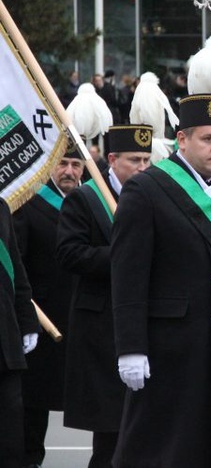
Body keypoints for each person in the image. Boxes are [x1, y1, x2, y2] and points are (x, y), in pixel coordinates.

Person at [110, 94, 211, 467]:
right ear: (182, 139)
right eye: (208, 139)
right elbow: (128, 275)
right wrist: (130, 347)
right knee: (168, 452)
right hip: (173, 351)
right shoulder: (147, 190)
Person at [56, 124, 153, 468]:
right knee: (110, 435)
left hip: (143, 324)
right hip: (100, 330)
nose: (143, 167)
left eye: (146, 159)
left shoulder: (152, 195)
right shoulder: (85, 198)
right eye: (134, 160)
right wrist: (124, 257)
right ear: (112, 160)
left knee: (143, 433)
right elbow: (69, 254)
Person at [13, 144, 83, 467]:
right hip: (43, 322)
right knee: (34, 404)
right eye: (63, 163)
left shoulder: (92, 202)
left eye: (76, 164)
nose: (69, 171)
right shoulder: (29, 203)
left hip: (82, 320)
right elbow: (19, 263)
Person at [0, 197, 39, 468]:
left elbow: (14, 265)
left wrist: (27, 320)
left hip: (5, 340)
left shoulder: (1, 207)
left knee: (10, 433)